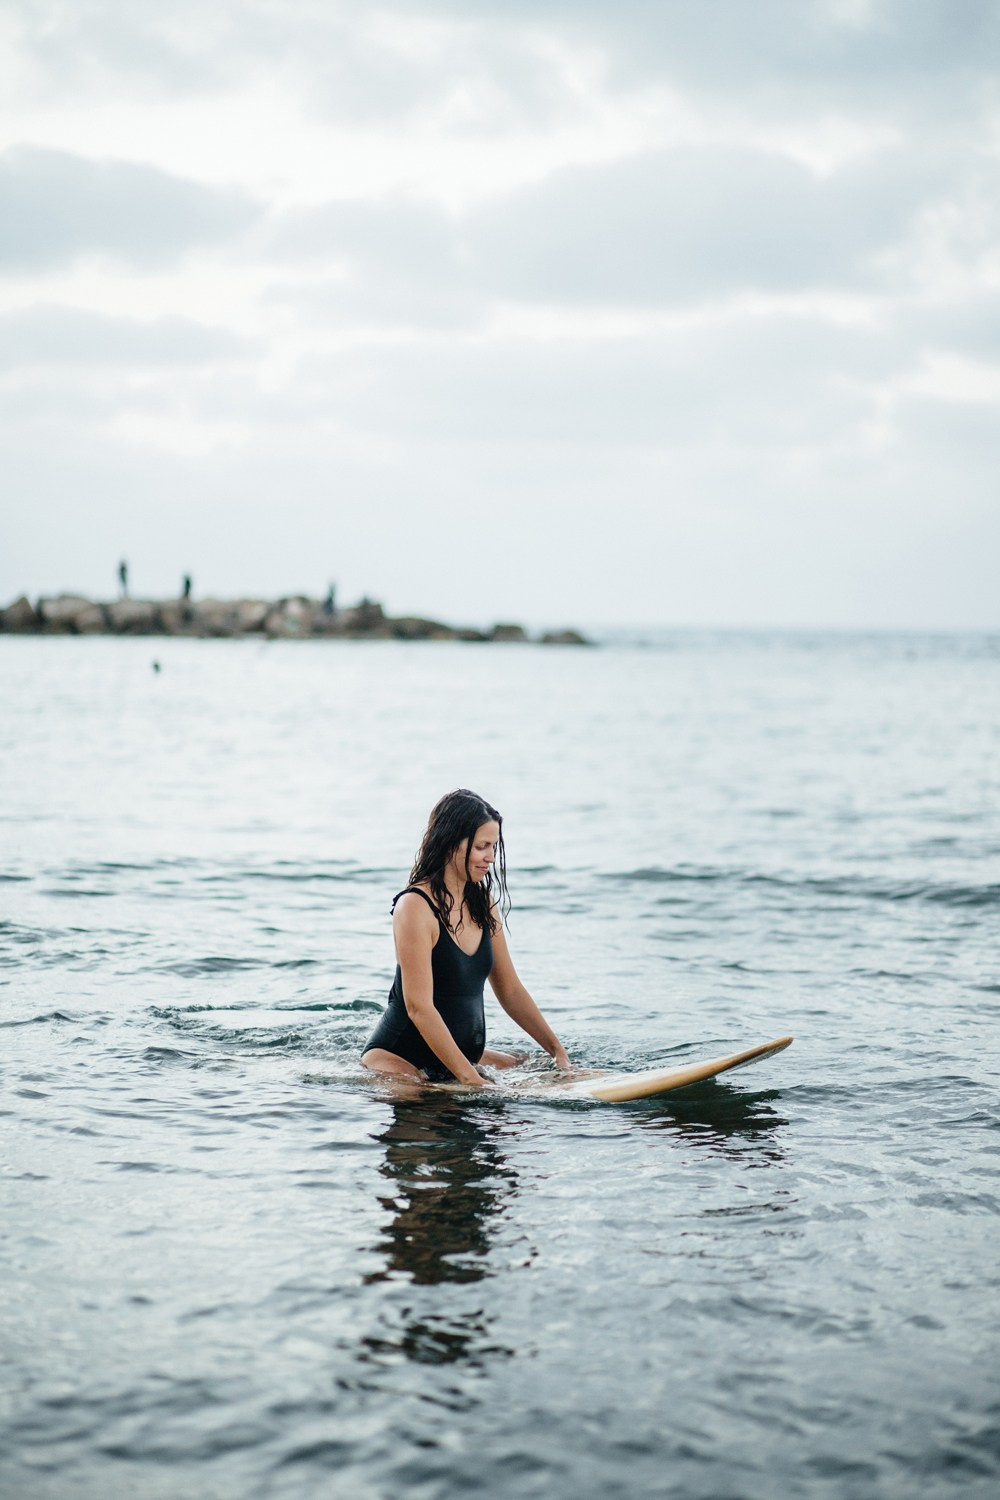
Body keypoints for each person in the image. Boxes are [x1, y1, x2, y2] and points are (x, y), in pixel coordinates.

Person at [362, 789, 570, 1088]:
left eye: (494, 846)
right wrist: (472, 1079)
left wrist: (557, 1053)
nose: (490, 857)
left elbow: (510, 989)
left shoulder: (483, 903)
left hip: (461, 1059)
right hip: (401, 1060)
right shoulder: (415, 907)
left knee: (536, 1068)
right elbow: (418, 1007)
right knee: (418, 1094)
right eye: (482, 846)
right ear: (451, 843)